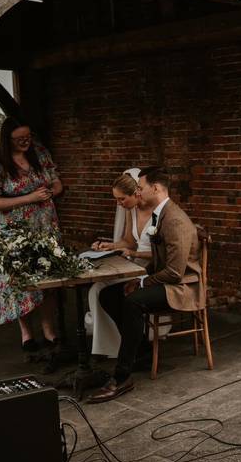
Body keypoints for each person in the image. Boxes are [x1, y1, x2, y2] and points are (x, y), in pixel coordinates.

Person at [88, 166, 203, 402]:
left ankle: (122, 378)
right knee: (108, 295)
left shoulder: (174, 219)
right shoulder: (158, 215)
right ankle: (140, 351)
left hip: (182, 287)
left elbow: (174, 272)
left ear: (156, 188)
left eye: (140, 187)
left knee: (132, 301)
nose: (138, 192)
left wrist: (140, 282)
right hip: (165, 279)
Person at [0, 117, 64, 357]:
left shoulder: (39, 153)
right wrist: (30, 198)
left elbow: (57, 183)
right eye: (19, 139)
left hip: (46, 228)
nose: (26, 142)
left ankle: (49, 330)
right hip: (14, 233)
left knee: (48, 280)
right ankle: (27, 334)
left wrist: (51, 192)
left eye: (28, 137)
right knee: (20, 283)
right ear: (7, 139)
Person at [84, 169, 155, 358]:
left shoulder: (157, 214)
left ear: (136, 193)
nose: (119, 204)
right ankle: (109, 346)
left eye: (121, 199)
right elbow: (129, 242)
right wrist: (110, 245)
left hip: (149, 268)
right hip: (134, 265)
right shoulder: (132, 211)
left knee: (107, 293)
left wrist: (132, 253)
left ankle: (131, 344)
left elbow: (160, 254)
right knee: (96, 289)